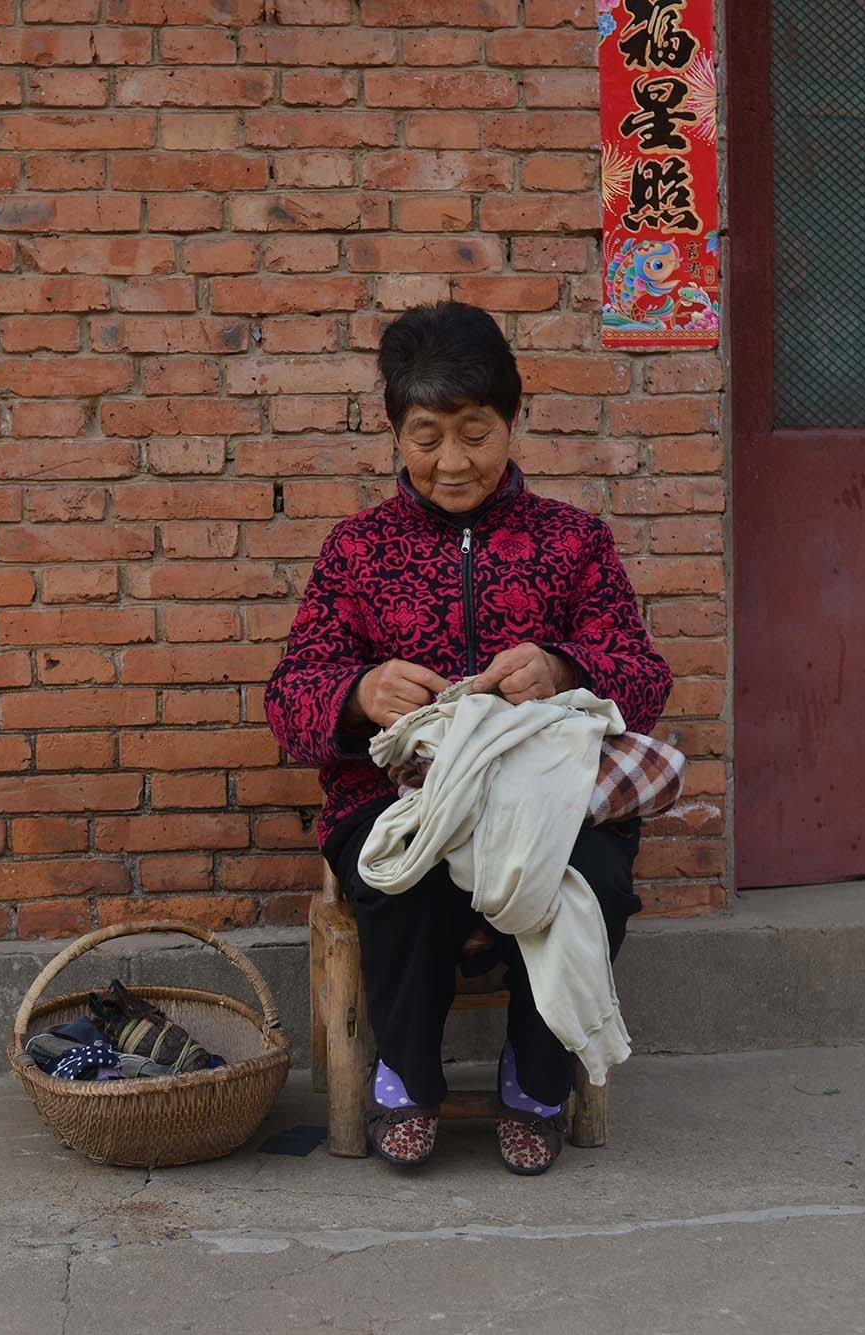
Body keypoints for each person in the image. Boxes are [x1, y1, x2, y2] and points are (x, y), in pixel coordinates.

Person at [263, 300, 674, 1175]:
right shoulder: (356, 552)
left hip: (549, 799)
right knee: (401, 876)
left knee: (590, 877)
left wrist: (564, 669)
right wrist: (360, 691)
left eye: (476, 433)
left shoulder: (575, 544)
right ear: (394, 433)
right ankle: (406, 1076)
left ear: (515, 419)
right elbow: (289, 701)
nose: (453, 462)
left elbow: (644, 678)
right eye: (426, 436)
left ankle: (537, 1074)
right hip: (396, 798)